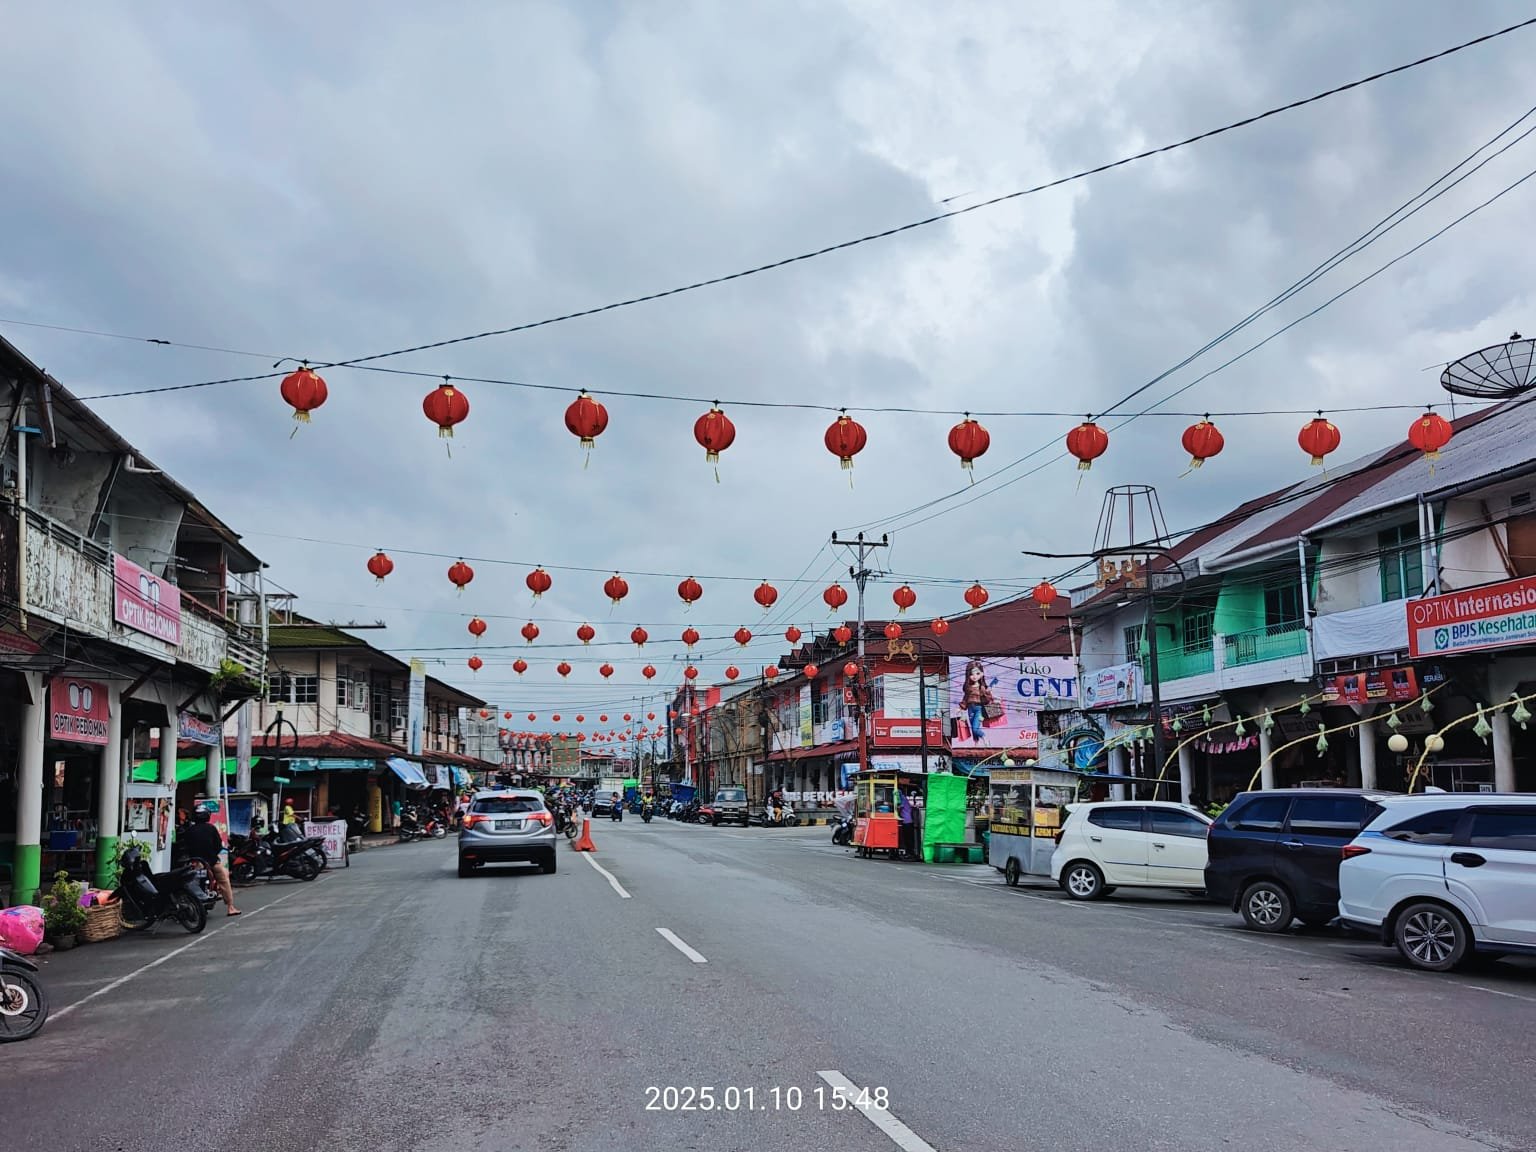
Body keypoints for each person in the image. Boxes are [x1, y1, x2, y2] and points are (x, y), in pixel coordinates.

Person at [181, 809, 240, 917]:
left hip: (195, 862)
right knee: (224, 879)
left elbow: (185, 847)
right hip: (211, 862)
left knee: (190, 881)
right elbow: (218, 845)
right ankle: (230, 907)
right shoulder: (211, 828)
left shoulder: (189, 830)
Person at [961, 659, 997, 743]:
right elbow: (965, 698)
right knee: (972, 728)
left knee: (975, 728)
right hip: (970, 708)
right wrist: (961, 708)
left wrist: (990, 695)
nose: (974, 676)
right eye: (971, 674)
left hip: (979, 709)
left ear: (982, 674)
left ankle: (984, 738)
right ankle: (976, 744)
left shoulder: (982, 687)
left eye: (977, 673)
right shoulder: (968, 687)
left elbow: (987, 698)